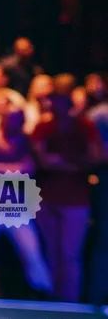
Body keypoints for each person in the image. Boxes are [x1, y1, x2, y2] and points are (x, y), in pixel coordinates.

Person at [0, 106, 52, 296]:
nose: (14, 123)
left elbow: (28, 169)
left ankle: (44, 297)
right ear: (3, 118)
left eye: (18, 119)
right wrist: (13, 171)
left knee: (31, 253)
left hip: (15, 210)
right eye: (11, 118)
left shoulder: (25, 142)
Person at [32, 94, 102, 302]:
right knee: (51, 253)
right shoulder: (43, 127)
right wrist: (74, 165)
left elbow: (95, 157)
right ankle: (52, 304)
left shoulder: (85, 126)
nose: (53, 104)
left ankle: (69, 306)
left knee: (70, 254)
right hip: (47, 198)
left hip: (76, 200)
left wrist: (63, 162)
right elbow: (42, 160)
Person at [87, 73, 108, 308]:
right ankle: (97, 299)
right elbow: (95, 153)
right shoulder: (100, 114)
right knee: (104, 241)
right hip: (104, 182)